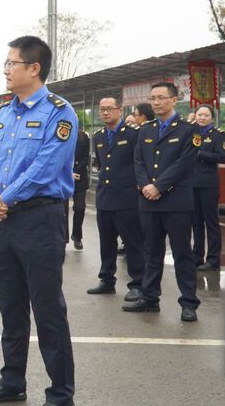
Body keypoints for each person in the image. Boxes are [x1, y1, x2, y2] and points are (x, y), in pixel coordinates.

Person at [0, 36, 76, 406]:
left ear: (34, 68)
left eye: (11, 63)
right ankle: (12, 381)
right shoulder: (6, 112)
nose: (5, 69)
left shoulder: (58, 112)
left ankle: (60, 394)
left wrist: (6, 196)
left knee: (48, 309)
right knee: (11, 306)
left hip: (40, 219)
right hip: (4, 222)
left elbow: (46, 166)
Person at [124, 82, 200, 322]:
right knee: (151, 252)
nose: (156, 102)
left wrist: (158, 186)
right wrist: (146, 184)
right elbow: (138, 160)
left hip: (176, 202)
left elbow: (184, 163)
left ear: (175, 100)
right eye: (153, 98)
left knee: (181, 253)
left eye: (161, 98)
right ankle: (150, 297)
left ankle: (188, 302)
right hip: (149, 201)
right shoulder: (145, 130)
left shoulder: (188, 130)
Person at [86, 97, 145, 303]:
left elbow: (139, 163)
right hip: (105, 197)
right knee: (106, 242)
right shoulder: (99, 136)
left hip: (127, 198)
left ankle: (138, 284)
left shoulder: (133, 134)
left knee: (132, 243)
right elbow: (102, 165)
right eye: (102, 109)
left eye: (109, 109)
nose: (105, 113)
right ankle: (107, 279)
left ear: (120, 110)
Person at [190, 104, 225, 271]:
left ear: (211, 118)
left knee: (211, 222)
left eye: (206, 115)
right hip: (192, 183)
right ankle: (197, 256)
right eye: (200, 114)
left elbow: (221, 156)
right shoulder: (191, 133)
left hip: (208, 184)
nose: (202, 118)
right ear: (195, 116)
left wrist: (200, 154)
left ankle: (213, 260)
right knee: (196, 222)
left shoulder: (218, 135)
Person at [65, 128, 90, 249]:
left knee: (80, 208)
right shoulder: (59, 134)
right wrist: (68, 173)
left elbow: (86, 157)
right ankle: (62, 239)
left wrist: (75, 171)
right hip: (63, 177)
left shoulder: (83, 137)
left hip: (80, 176)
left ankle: (77, 235)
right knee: (62, 211)